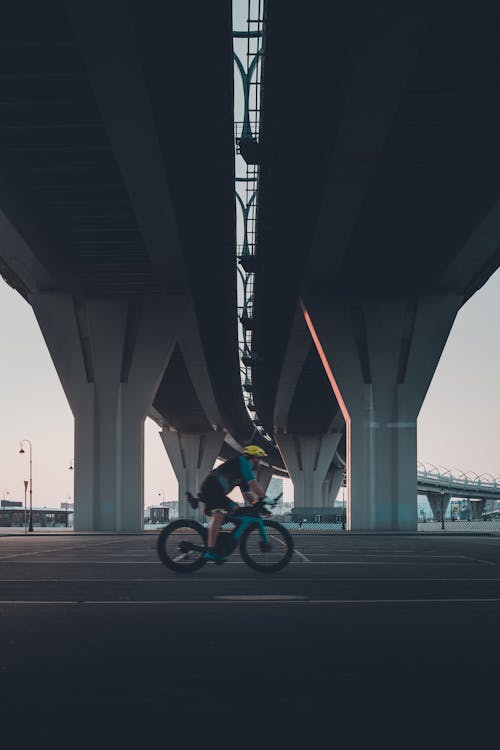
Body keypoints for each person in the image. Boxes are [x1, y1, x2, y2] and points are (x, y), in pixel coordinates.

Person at [195, 444, 269, 563]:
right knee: (222, 512)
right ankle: (210, 550)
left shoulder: (241, 473)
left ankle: (219, 538)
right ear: (254, 458)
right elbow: (253, 484)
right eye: (259, 459)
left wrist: (257, 505)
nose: (260, 463)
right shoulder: (243, 463)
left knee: (235, 509)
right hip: (212, 489)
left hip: (216, 492)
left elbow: (248, 494)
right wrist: (266, 498)